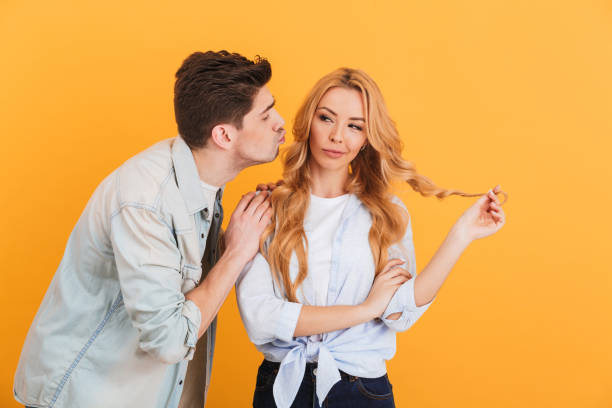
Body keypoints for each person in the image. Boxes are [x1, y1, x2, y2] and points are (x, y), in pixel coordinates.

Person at [14, 50, 286, 408]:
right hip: (85, 395)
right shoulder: (146, 199)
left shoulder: (202, 178)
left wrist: (237, 234)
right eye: (266, 115)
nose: (280, 122)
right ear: (223, 135)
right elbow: (169, 339)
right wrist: (236, 252)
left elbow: (175, 276)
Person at [236, 67, 507, 408]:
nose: (337, 136)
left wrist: (462, 234)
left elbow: (399, 312)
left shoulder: (385, 212)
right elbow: (261, 318)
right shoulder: (265, 210)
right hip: (283, 387)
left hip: (359, 390)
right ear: (308, 122)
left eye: (355, 126)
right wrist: (365, 310)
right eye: (326, 118)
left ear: (367, 138)